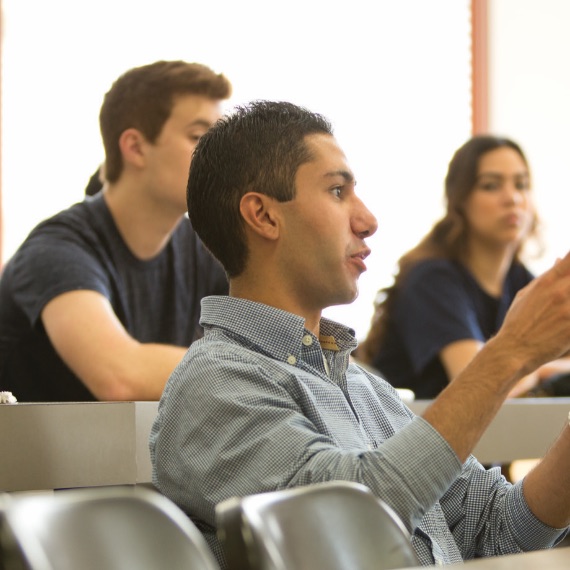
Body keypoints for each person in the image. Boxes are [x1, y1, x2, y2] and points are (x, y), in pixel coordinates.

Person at [150, 101, 570, 567]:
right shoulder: (215, 383)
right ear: (264, 216)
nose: (368, 220)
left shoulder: (363, 386)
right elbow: (353, 522)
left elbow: (498, 529)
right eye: (336, 191)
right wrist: (510, 352)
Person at [0, 60, 232, 402]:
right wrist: (272, 368)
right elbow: (119, 376)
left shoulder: (206, 252)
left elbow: (289, 337)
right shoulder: (55, 249)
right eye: (199, 137)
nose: (223, 156)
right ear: (135, 147)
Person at [356, 136, 570, 399]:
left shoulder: (519, 279)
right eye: (491, 186)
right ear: (460, 200)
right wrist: (541, 372)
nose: (513, 198)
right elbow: (482, 384)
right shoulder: (431, 279)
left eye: (521, 184)